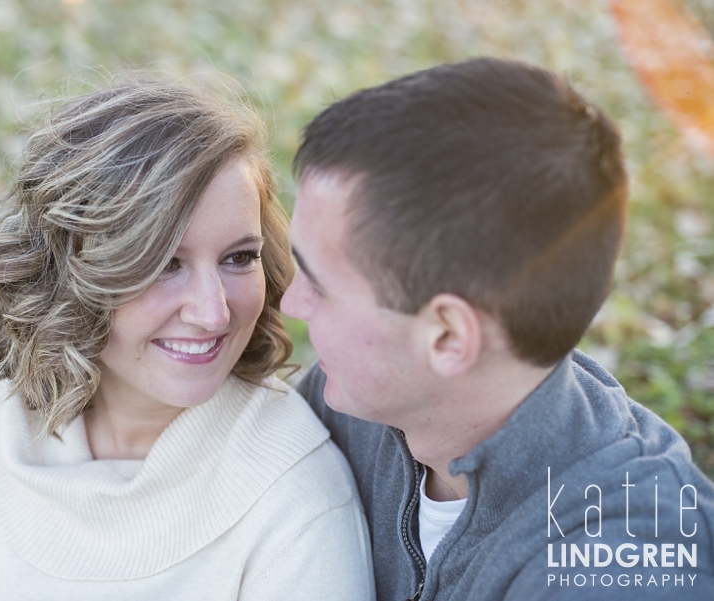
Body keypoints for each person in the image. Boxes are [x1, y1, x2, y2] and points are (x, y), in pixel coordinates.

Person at [0, 78, 375, 600]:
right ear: (69, 269)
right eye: (163, 263)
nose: (213, 312)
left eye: (239, 258)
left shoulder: (294, 491)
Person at [281, 57, 714, 601]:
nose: (289, 301)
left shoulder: (622, 564)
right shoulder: (354, 403)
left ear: (447, 337)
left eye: (319, 284)